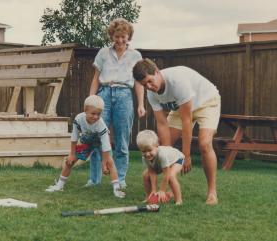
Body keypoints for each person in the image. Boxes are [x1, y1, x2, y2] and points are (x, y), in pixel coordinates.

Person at [133, 58, 221, 205]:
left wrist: (186, 155)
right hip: (181, 108)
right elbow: (162, 123)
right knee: (160, 147)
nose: (149, 87)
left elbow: (187, 121)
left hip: (207, 102)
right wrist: (166, 154)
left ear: (157, 72)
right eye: (144, 85)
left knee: (204, 144)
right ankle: (170, 187)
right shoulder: (151, 93)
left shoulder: (177, 82)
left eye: (150, 81)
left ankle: (212, 192)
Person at [87, 18, 145, 188]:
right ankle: (94, 179)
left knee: (122, 139)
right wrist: (91, 101)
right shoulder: (103, 53)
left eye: (123, 37)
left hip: (124, 95)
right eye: (116, 36)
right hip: (104, 94)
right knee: (97, 137)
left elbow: (139, 82)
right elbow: (96, 79)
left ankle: (120, 179)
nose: (120, 40)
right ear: (112, 36)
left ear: (129, 37)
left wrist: (141, 104)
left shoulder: (136, 56)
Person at [45, 95, 125, 198]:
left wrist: (104, 164)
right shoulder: (79, 119)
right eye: (93, 113)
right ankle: (59, 185)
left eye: (99, 114)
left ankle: (116, 189)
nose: (96, 117)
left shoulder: (101, 125)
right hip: (87, 141)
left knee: (110, 162)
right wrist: (72, 154)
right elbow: (74, 136)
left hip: (100, 143)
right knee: (69, 161)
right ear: (85, 110)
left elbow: (106, 146)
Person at [136, 130, 184, 205]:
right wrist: (154, 190)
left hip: (177, 159)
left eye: (149, 150)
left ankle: (179, 200)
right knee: (146, 175)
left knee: (171, 176)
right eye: (143, 151)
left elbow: (166, 173)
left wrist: (162, 190)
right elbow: (152, 172)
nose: (147, 154)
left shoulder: (162, 154)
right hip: (163, 163)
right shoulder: (145, 157)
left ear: (157, 145)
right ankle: (149, 196)